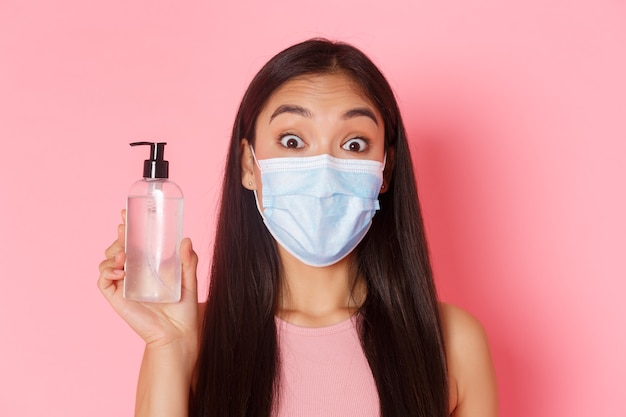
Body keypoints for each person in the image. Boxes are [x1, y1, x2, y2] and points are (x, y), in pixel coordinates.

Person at [98, 38, 498, 417]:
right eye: (292, 141)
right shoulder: (189, 338)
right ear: (248, 165)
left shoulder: (452, 342)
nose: (324, 170)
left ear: (385, 169)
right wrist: (168, 345)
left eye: (354, 144)